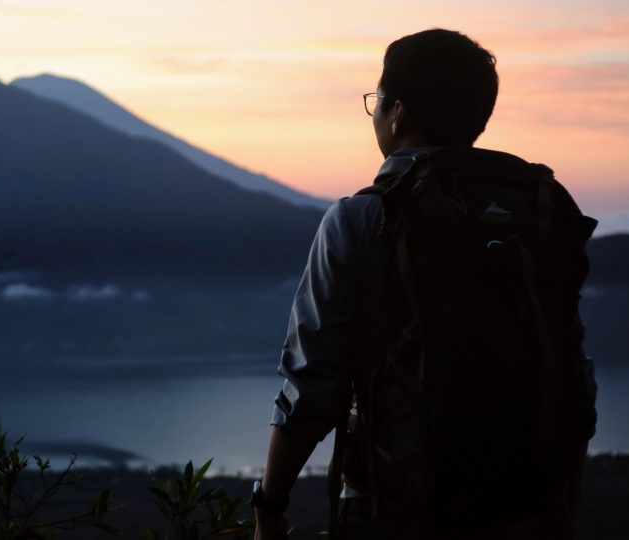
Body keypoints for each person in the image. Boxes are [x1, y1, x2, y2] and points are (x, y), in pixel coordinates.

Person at [251, 29, 598, 540]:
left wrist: (270, 506)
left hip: (393, 509)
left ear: (398, 112)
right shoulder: (535, 215)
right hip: (525, 509)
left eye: (377, 101)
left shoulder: (362, 219)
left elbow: (311, 386)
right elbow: (573, 373)